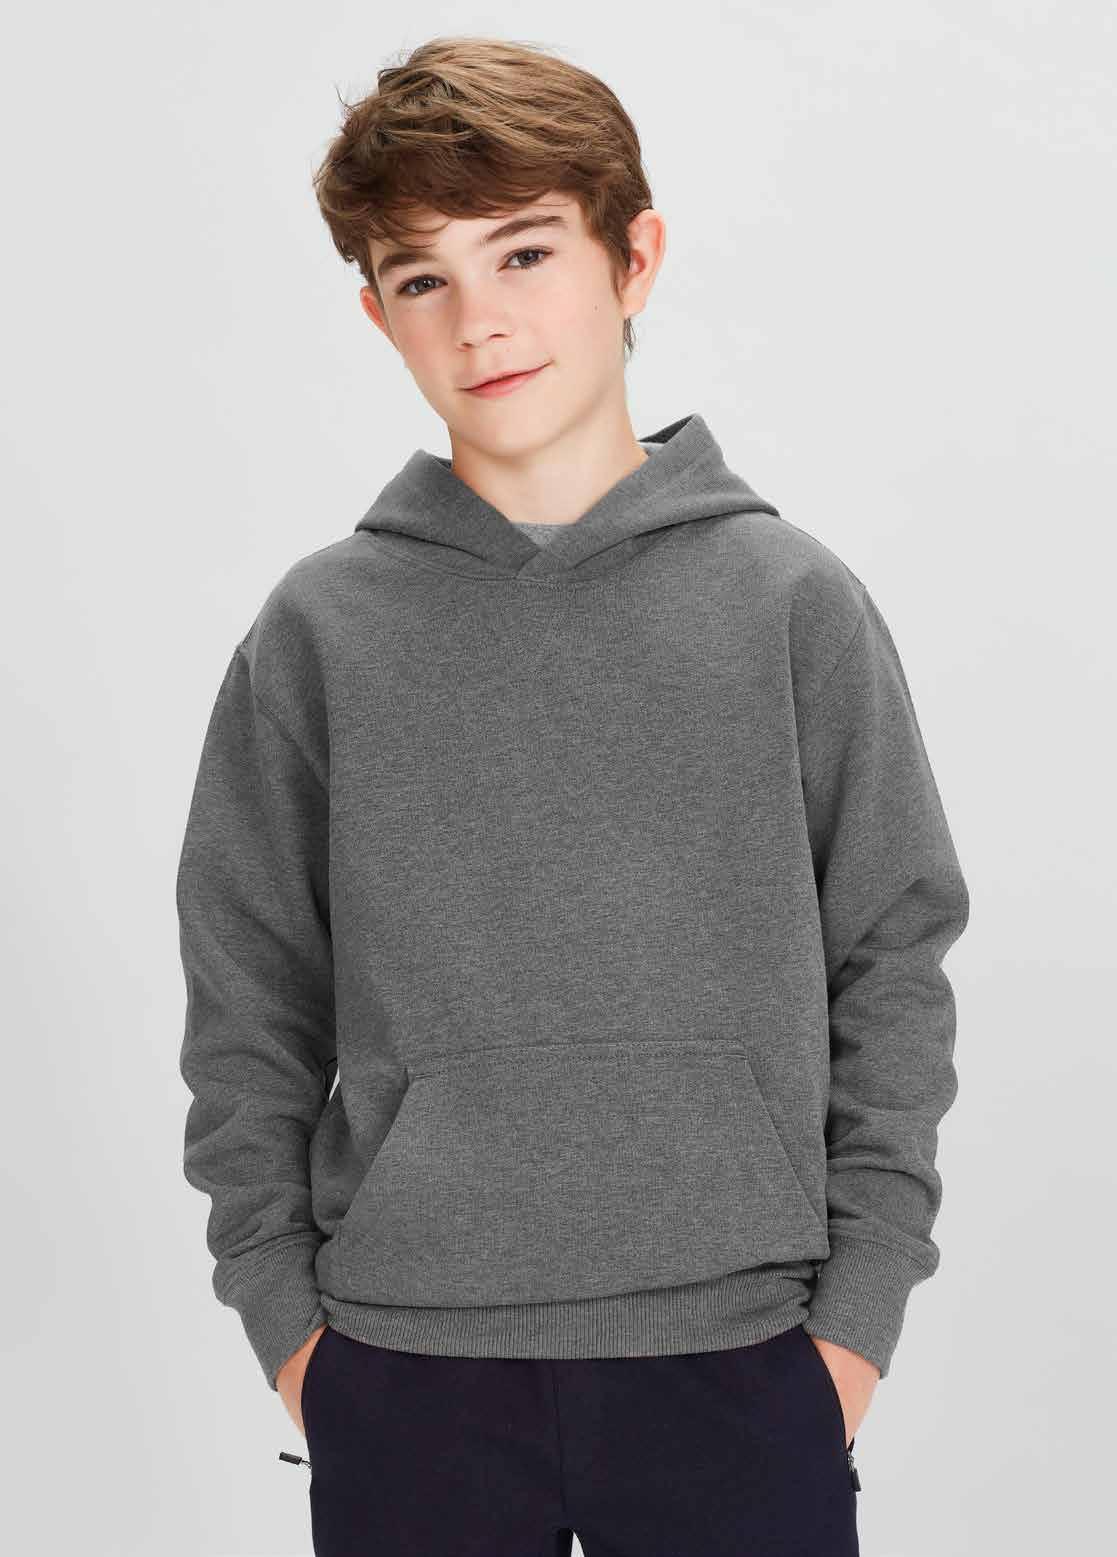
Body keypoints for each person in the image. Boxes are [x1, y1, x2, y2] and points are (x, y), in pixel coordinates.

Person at [176, 35, 970, 1557]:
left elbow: (893, 958)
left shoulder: (790, 604)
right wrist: (289, 1326)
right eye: (423, 277)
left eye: (525, 252)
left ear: (633, 257)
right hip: (403, 1367)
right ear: (378, 315)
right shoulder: (320, 632)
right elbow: (247, 993)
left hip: (743, 1355)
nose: (480, 319)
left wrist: (854, 1326)